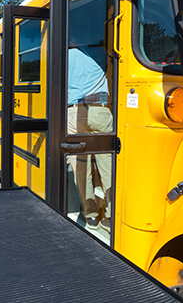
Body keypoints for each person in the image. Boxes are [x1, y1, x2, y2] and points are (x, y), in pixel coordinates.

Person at [67, 45, 113, 232]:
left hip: (74, 112)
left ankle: (91, 216)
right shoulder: (101, 51)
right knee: (108, 164)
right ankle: (110, 216)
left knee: (80, 165)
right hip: (100, 108)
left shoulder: (65, 55)